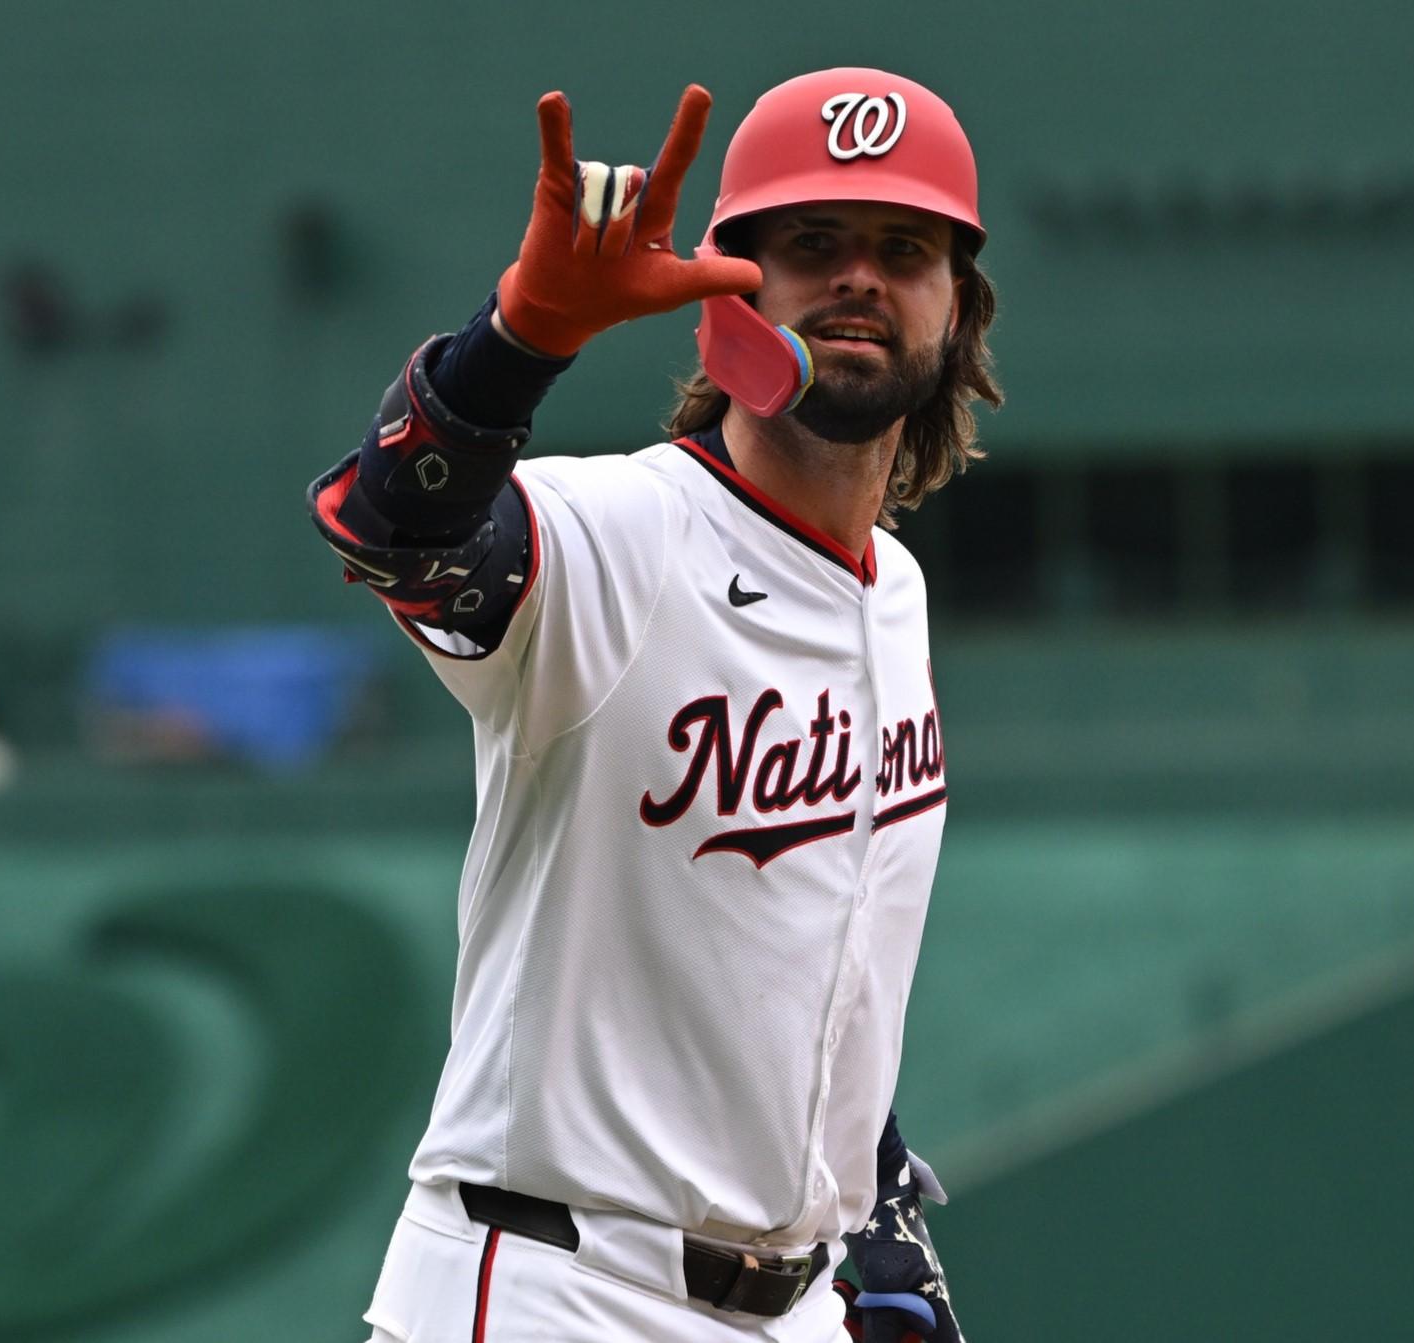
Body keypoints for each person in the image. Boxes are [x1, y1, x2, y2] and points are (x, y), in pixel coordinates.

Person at [309, 68, 1000, 1342]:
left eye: (905, 250)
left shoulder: (888, 591)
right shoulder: (616, 535)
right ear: (722, 284)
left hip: (791, 1307)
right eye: (811, 243)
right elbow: (386, 526)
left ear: (958, 309)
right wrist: (516, 344)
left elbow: (810, 946)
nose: (859, 276)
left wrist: (874, 1199)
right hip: (550, 1283)